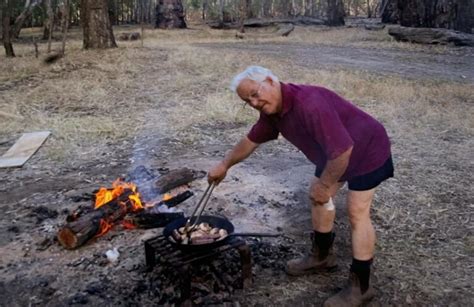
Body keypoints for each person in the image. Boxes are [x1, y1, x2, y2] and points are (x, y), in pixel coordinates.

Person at [207, 66, 394, 306]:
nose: (253, 103)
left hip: (367, 148)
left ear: (270, 81)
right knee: (317, 198)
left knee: (357, 212)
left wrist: (325, 184)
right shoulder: (273, 110)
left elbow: (343, 151)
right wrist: (224, 165)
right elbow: (251, 140)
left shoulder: (309, 104)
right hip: (335, 151)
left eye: (255, 94)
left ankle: (362, 287)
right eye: (247, 100)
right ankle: (322, 257)